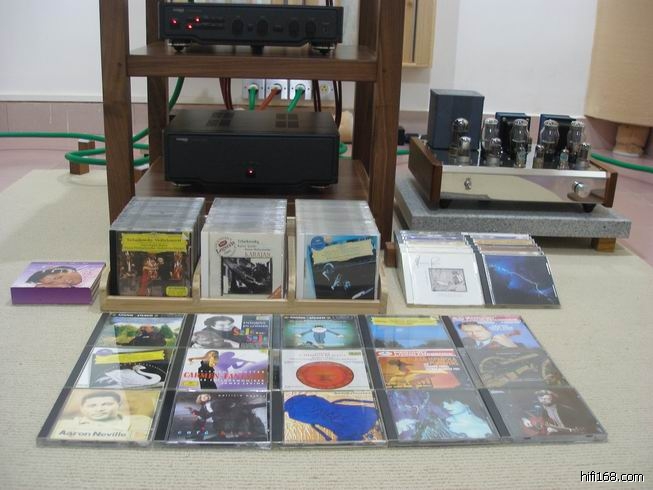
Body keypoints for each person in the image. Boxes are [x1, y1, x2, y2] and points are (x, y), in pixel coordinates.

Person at [51, 391, 152, 441]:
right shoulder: (63, 425)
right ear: (82, 408)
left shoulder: (142, 421)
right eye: (92, 405)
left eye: (107, 404)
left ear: (119, 405)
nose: (99, 409)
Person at [521, 389, 595, 435]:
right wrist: (524, 419)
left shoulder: (566, 410)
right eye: (540, 396)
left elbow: (583, 428)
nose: (543, 398)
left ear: (553, 396)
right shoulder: (543, 412)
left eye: (546, 395)